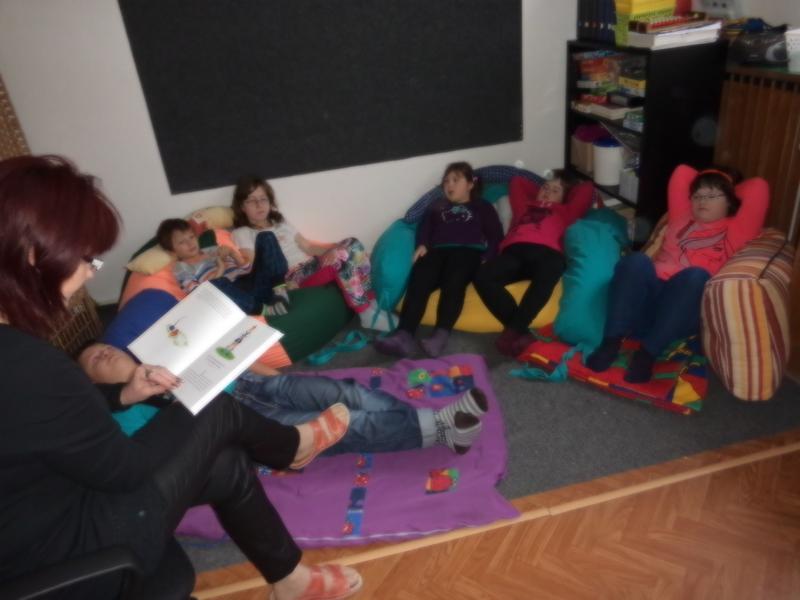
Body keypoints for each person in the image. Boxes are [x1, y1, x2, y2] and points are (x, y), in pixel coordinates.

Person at [0, 155, 361, 600]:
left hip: (40, 515)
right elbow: (126, 470)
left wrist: (123, 394)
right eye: (87, 258)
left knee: (228, 464)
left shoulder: (19, 360)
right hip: (62, 551)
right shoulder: (28, 365)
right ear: (34, 254)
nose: (90, 274)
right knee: (213, 408)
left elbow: (41, 427)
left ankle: (291, 581)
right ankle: (291, 447)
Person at [79, 342, 490, 455]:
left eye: (104, 346)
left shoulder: (160, 352)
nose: (104, 352)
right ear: (91, 383)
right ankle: (440, 425)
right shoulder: (121, 411)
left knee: (346, 391)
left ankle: (441, 431)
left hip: (255, 386)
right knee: (343, 424)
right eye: (94, 359)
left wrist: (274, 379)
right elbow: (164, 449)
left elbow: (229, 359)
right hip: (243, 421)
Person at [586, 165, 769, 383]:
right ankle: (610, 343)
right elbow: (682, 172)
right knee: (636, 261)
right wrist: (712, 184)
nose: (702, 201)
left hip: (680, 312)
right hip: (645, 305)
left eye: (712, 196)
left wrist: (727, 183)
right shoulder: (681, 215)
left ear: (730, 200)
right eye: (697, 195)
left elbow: (759, 187)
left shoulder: (737, 229)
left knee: (696, 276)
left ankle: (647, 355)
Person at [374, 162, 503, 358]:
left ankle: (440, 336)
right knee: (419, 280)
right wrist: (422, 244)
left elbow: (495, 234)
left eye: (455, 180)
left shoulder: (482, 206)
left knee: (454, 283)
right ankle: (404, 334)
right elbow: (424, 228)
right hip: (437, 251)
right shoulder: (437, 206)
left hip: (468, 251)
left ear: (470, 184)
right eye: (446, 181)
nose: (449, 185)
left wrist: (488, 256)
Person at [230, 176, 393, 331]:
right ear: (242, 207)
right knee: (342, 257)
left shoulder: (280, 222)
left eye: (263, 199)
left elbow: (307, 246)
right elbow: (255, 266)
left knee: (352, 243)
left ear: (270, 201)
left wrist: (333, 250)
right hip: (291, 276)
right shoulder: (243, 232)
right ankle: (365, 313)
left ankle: (372, 303)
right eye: (251, 200)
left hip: (310, 265)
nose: (259, 205)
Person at [473, 170, 594, 357]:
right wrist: (544, 186)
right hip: (515, 250)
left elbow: (587, 188)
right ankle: (521, 332)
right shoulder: (524, 206)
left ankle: (512, 331)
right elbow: (517, 181)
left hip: (547, 252)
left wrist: (564, 187)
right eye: (545, 187)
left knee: (552, 267)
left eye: (555, 190)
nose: (547, 191)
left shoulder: (568, 212)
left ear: (566, 198)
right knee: (482, 276)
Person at [157, 217, 290, 317]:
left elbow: (247, 270)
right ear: (172, 251)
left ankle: (280, 291)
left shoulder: (214, 250)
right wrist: (220, 268)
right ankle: (267, 310)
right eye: (182, 242)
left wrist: (233, 254)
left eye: (191, 237)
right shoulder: (181, 268)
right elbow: (200, 294)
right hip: (236, 298)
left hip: (253, 284)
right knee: (215, 284)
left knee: (266, 236)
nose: (190, 243)